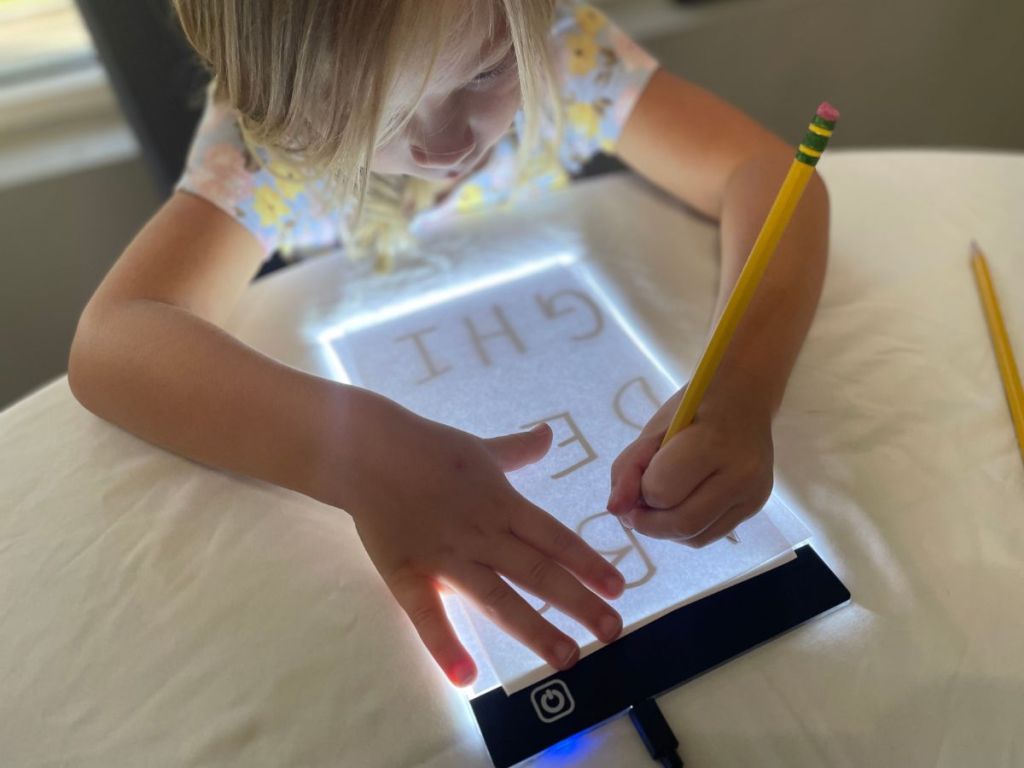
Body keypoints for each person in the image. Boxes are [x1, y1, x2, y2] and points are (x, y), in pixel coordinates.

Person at [68, 0, 829, 687]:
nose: (446, 144)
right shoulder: (271, 143)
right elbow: (115, 338)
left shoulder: (556, 47)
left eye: (488, 71)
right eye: (376, 108)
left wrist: (742, 385)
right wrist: (359, 453)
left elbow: (760, 171)